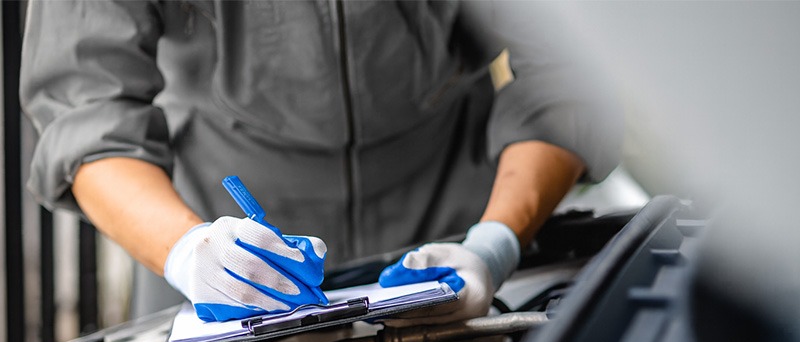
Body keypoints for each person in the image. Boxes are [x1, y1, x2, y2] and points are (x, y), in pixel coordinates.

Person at [20, 0, 621, 324]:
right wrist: (187, 253)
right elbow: (87, 106)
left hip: (459, 211)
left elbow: (571, 67)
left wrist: (495, 242)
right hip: (215, 236)